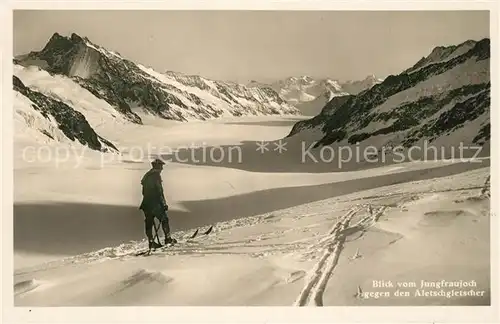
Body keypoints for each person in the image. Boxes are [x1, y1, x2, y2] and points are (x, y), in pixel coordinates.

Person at [139, 158, 177, 249]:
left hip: (146, 204)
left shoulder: (147, 176)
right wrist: (163, 204)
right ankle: (168, 238)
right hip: (155, 204)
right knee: (164, 220)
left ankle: (151, 242)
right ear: (158, 166)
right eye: (161, 166)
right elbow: (159, 192)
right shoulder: (156, 176)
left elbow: (144, 192)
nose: (162, 169)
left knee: (149, 223)